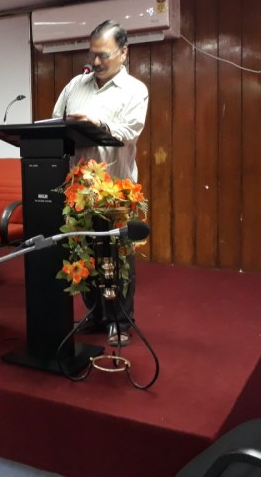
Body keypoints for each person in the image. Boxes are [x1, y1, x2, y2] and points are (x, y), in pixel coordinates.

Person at [52, 19, 148, 346]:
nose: (95, 61)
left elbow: (129, 131)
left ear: (123, 53)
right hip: (78, 190)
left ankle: (119, 320)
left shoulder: (135, 90)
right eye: (92, 54)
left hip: (114, 189)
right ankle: (94, 314)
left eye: (103, 55)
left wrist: (97, 123)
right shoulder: (74, 86)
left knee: (115, 259)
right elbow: (56, 123)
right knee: (86, 255)